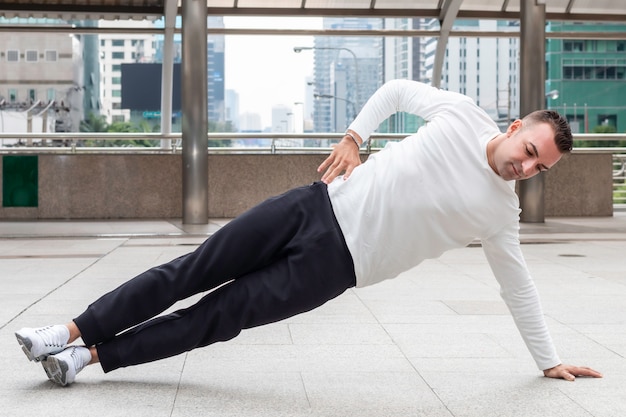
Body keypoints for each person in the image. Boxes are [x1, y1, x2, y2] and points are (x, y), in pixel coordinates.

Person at [16, 79, 602, 386]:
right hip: (312, 207)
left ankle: (87, 358)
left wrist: (549, 360)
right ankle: (63, 331)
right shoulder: (461, 113)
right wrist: (354, 136)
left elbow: (517, 285)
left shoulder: (501, 211)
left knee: (213, 319)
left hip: (334, 269)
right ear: (517, 126)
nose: (526, 169)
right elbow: (397, 91)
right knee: (187, 272)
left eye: (539, 169)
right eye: (529, 152)